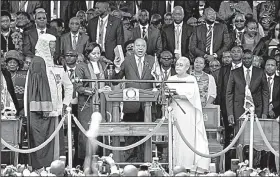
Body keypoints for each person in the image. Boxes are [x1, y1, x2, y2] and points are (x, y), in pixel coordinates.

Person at [24, 33, 73, 169]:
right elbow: (35, 91)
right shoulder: (38, 63)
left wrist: (65, 103)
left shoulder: (57, 68)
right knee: (41, 143)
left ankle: (56, 169)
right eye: (50, 47)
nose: (53, 50)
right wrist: (44, 109)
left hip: (56, 112)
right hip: (41, 113)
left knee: (56, 146)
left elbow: (69, 86)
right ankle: (41, 169)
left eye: (54, 47)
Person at [167, 57, 210, 172]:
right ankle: (174, 164)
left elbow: (192, 95)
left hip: (187, 111)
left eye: (181, 65)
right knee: (175, 137)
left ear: (187, 67)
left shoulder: (191, 79)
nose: (178, 66)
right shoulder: (170, 78)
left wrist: (178, 94)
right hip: (175, 110)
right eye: (177, 64)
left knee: (187, 137)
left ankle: (187, 164)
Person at [74, 42, 111, 164]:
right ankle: (83, 162)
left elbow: (109, 81)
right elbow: (78, 87)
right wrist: (96, 90)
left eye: (98, 53)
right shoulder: (81, 66)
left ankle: (100, 160)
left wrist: (106, 88)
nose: (96, 55)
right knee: (86, 133)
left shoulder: (103, 65)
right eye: (93, 53)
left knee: (101, 132)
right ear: (87, 54)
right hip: (86, 104)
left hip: (102, 104)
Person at [215, 45, 243, 170]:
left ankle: (244, 166)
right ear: (230, 54)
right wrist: (221, 109)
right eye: (233, 51)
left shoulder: (247, 69)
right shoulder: (224, 69)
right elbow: (221, 90)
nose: (236, 53)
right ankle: (226, 168)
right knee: (228, 138)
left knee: (243, 139)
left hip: (243, 109)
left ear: (242, 54)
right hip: (227, 109)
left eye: (238, 51)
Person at [226, 49, 269, 130]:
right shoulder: (234, 72)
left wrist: (265, 112)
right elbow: (229, 93)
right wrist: (230, 113)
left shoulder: (260, 72)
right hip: (239, 109)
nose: (247, 60)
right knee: (240, 137)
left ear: (252, 58)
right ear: (242, 59)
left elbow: (265, 92)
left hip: (257, 109)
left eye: (249, 58)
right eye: (244, 58)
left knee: (256, 135)